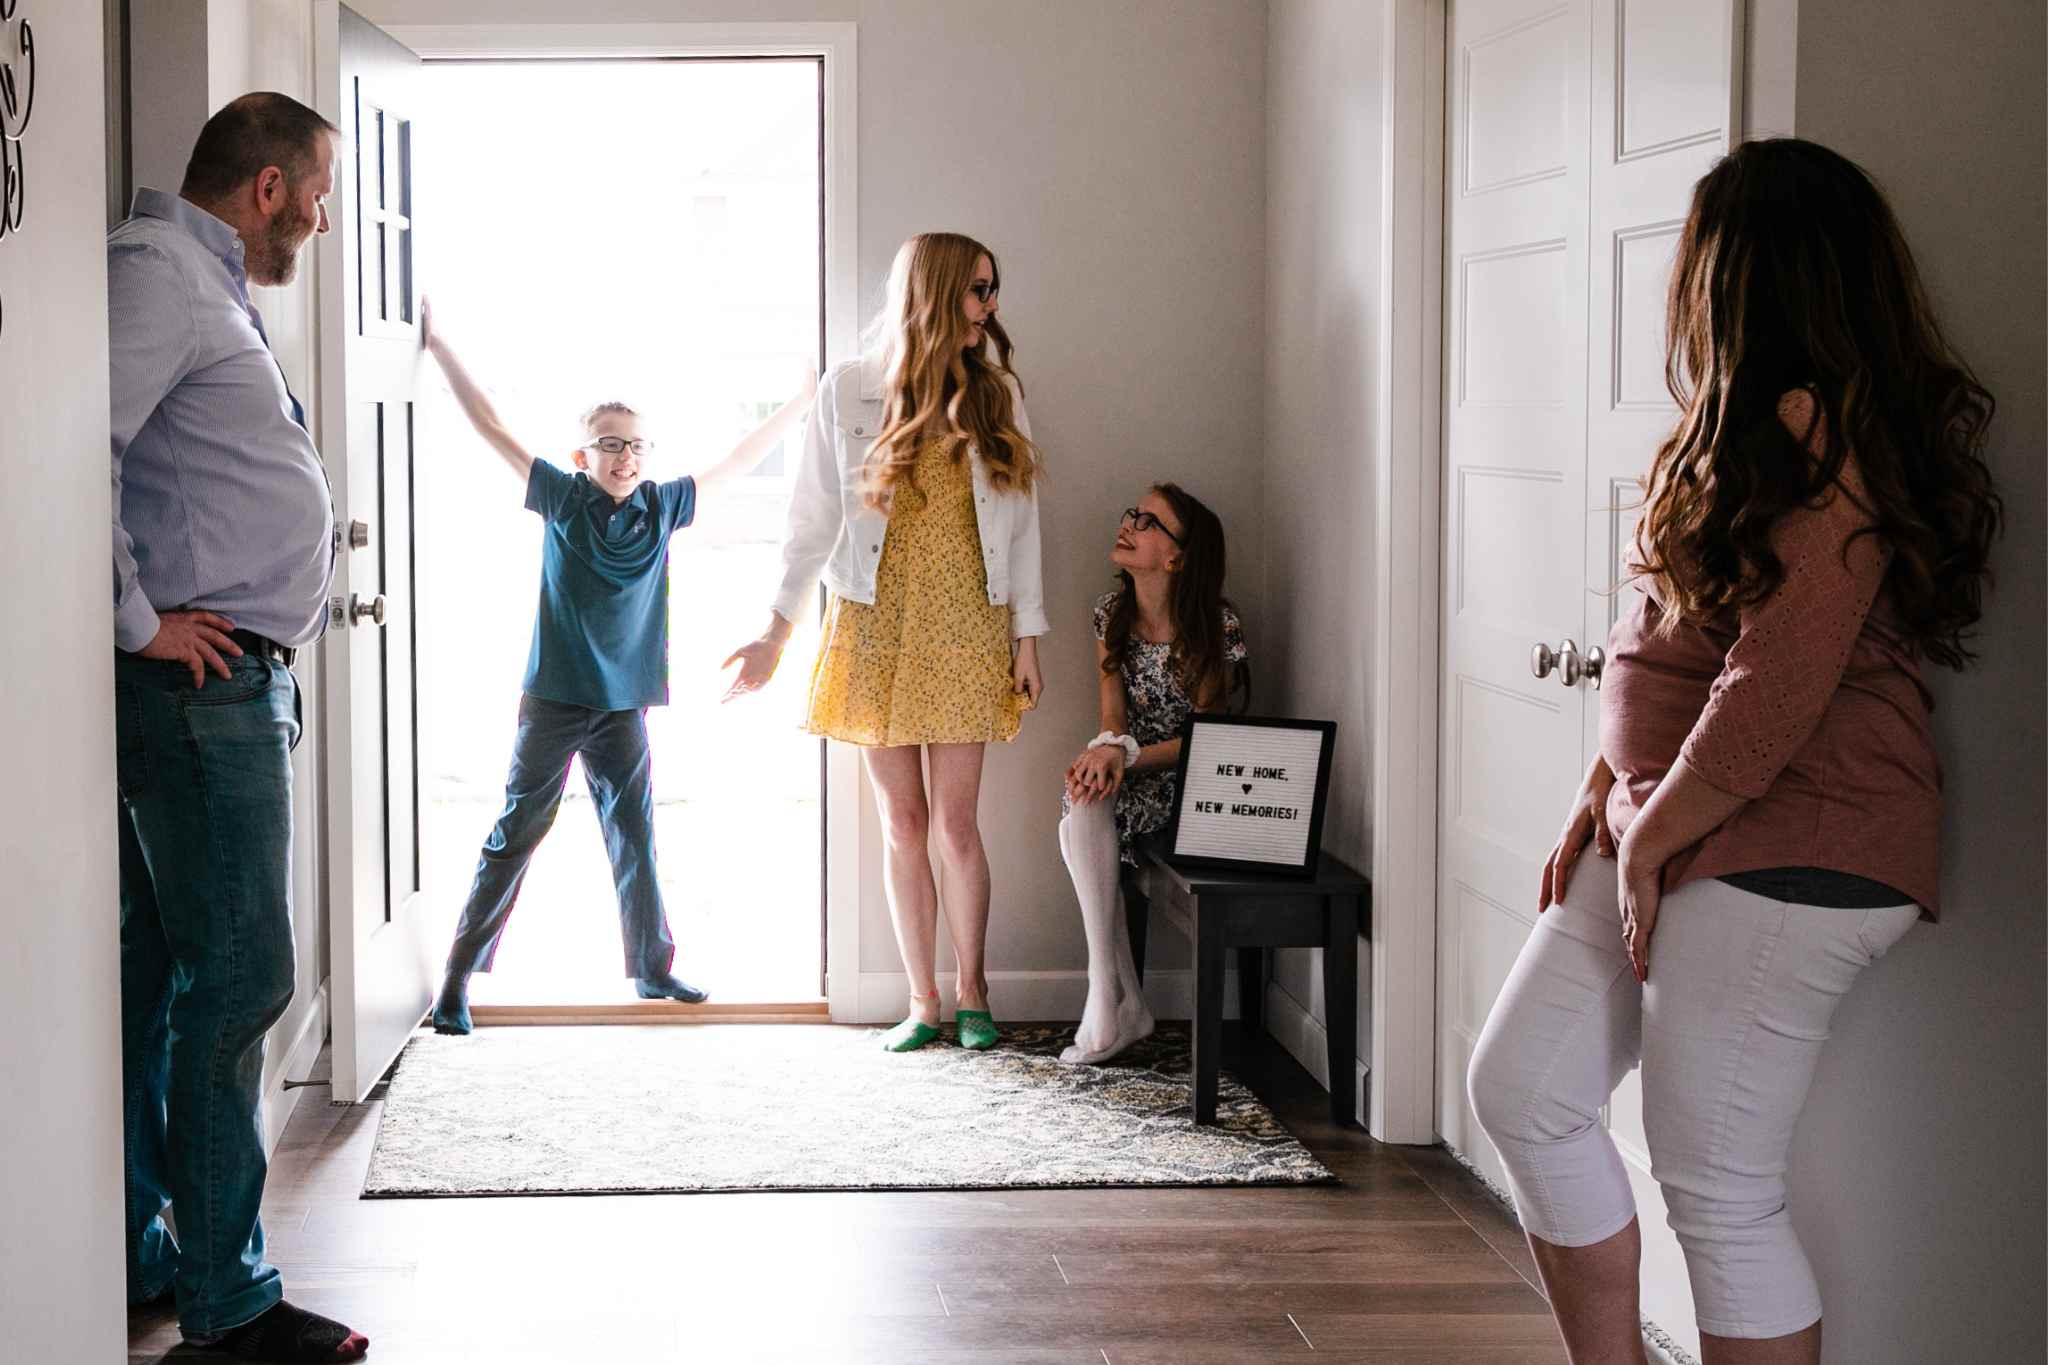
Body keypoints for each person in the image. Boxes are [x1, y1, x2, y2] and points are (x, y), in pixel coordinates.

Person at [1465, 137, 2002, 1365]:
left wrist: (1647, 836)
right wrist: (1600, 789)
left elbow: (1773, 687)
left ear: (1745, 274)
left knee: (1714, 1184)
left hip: (1793, 830)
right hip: (1681, 817)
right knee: (1524, 1092)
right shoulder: (1748, 426)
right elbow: (1666, 638)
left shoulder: (1829, 445)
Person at [110, 93, 369, 1361]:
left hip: (225, 689)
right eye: (317, 194)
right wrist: (136, 621)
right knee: (243, 980)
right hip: (199, 695)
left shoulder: (203, 282)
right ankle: (227, 1305)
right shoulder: (158, 277)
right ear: (267, 186)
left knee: (167, 980)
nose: (321, 217)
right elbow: (66, 446)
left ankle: (148, 1254)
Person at [423, 302, 816, 1035]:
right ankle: (456, 978)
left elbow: (735, 462)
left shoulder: (663, 508)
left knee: (634, 832)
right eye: (609, 445)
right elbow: (493, 428)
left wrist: (799, 401)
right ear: (584, 456)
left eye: (635, 445)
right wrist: (441, 348)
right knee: (518, 829)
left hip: (623, 708)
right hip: (554, 701)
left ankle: (651, 964)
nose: (624, 457)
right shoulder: (565, 500)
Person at [723, 232, 1047, 1053]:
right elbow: (812, 520)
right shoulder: (852, 388)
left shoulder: (995, 392)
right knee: (903, 822)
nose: (990, 305)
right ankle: (923, 999)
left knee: (957, 826)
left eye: (993, 288)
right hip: (870, 620)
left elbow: (1025, 518)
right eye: (978, 289)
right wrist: (775, 631)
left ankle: (975, 992)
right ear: (937, 293)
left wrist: (1028, 636)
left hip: (967, 620)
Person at [1058, 485, 1246, 1065]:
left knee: (1091, 803)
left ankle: (1111, 995)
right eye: (1131, 514)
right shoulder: (1110, 614)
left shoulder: (1218, 625)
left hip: (1192, 783)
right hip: (1132, 769)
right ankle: (1116, 992)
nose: (1129, 524)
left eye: (1148, 522)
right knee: (1081, 799)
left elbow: (1208, 741)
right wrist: (1103, 754)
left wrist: (1129, 757)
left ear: (1177, 556)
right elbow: (1113, 718)